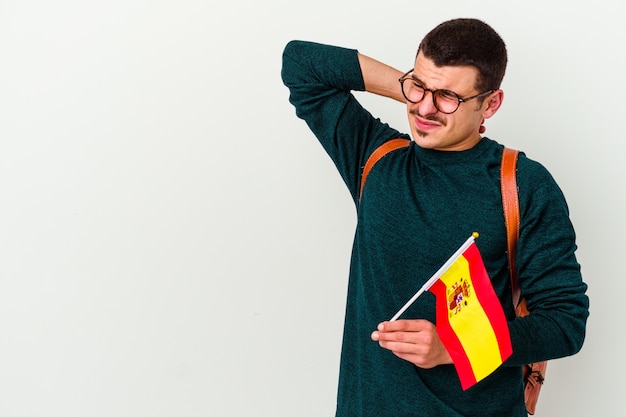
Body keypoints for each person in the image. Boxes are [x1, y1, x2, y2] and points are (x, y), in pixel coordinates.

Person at [281, 18, 589, 417]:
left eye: (448, 96)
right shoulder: (374, 158)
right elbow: (300, 64)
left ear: (490, 104)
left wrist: (455, 346)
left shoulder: (523, 185)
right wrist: (416, 91)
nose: (424, 109)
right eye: (420, 86)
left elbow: (565, 323)